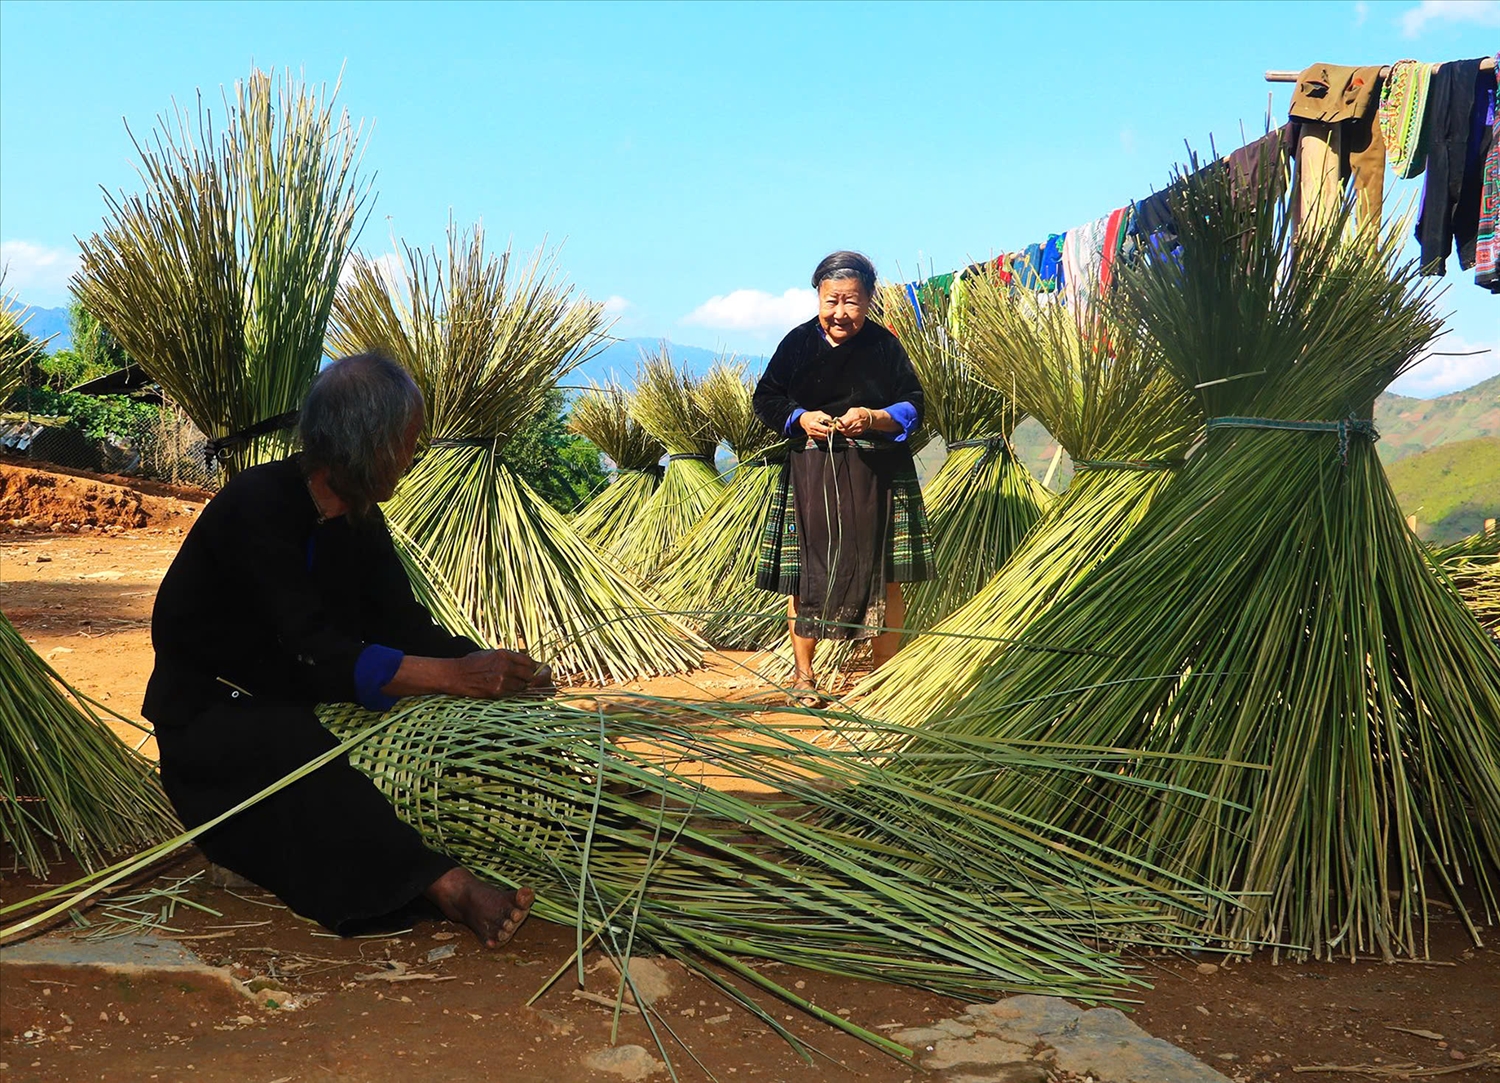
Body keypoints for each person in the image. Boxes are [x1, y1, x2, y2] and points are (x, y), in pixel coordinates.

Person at [143, 353, 543, 946]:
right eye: (405, 443)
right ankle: (447, 887)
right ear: (366, 445)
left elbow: (405, 626)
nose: (412, 457)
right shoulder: (259, 505)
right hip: (215, 725)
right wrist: (455, 676)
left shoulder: (359, 520)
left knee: (404, 737)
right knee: (306, 757)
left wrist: (492, 665)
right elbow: (313, 650)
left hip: (300, 706)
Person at [753, 251, 933, 703]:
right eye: (831, 301)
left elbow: (913, 403)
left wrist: (874, 416)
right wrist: (799, 418)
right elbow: (766, 398)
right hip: (812, 470)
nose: (840, 313)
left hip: (878, 474)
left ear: (870, 300)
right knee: (806, 575)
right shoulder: (797, 345)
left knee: (884, 575)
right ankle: (803, 677)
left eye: (851, 302)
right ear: (818, 297)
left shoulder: (884, 346)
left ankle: (881, 678)